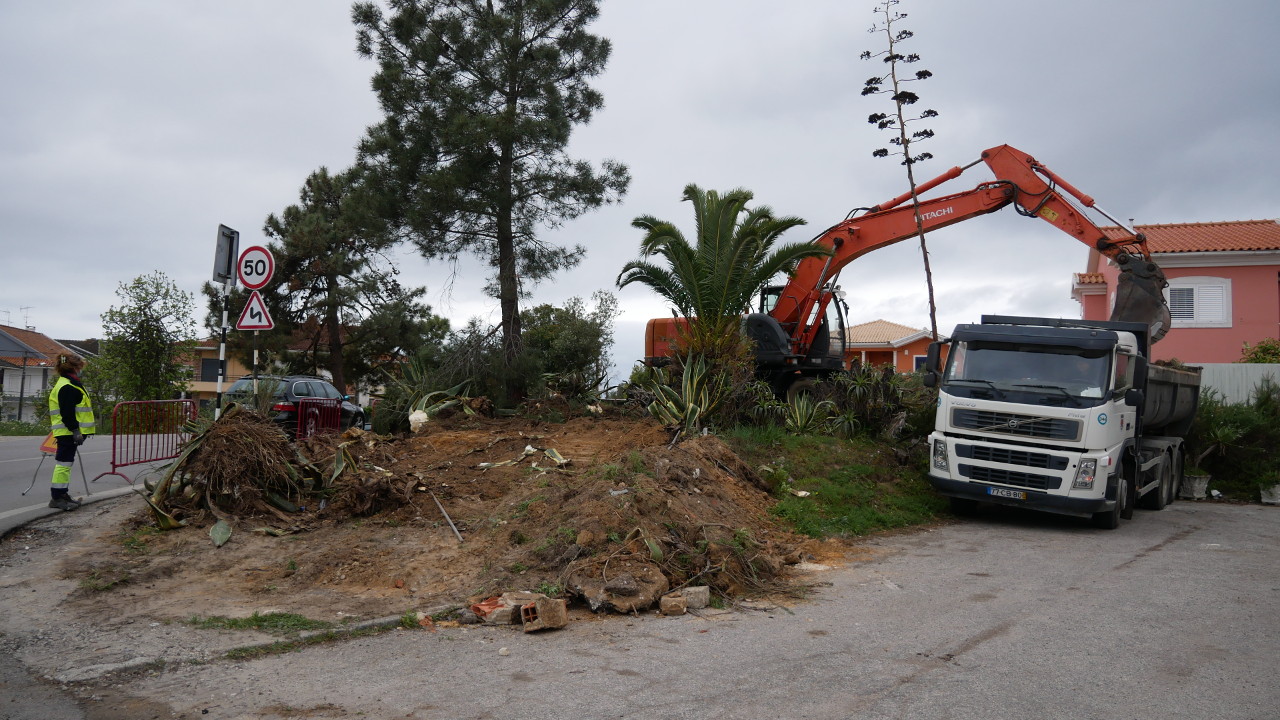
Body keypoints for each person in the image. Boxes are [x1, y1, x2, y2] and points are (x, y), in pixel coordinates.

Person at [47, 353, 95, 511]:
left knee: (65, 464)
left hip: (68, 432)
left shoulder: (69, 383)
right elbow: (67, 413)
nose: (81, 370)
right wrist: (75, 430)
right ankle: (57, 497)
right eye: (80, 367)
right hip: (67, 432)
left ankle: (62, 494)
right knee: (63, 464)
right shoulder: (67, 386)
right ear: (74, 368)